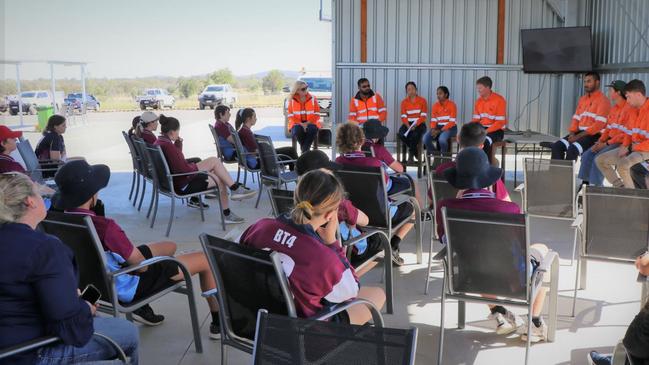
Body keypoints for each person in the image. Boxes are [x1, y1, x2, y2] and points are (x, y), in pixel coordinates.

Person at [54, 160, 223, 339]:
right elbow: (140, 266)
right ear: (92, 196)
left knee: (169, 246)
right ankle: (218, 323)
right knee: (205, 259)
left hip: (93, 281)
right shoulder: (104, 227)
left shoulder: (57, 221)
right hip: (125, 284)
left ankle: (147, 301)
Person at [0, 173, 139, 364]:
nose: (44, 199)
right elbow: (72, 330)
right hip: (27, 352)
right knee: (127, 332)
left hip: (11, 340)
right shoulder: (44, 248)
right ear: (29, 201)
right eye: (40, 194)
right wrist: (84, 307)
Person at [239, 169, 386, 324]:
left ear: (296, 198)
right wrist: (333, 244)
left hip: (256, 317)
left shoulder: (260, 227)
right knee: (377, 294)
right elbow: (351, 290)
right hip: (303, 330)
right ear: (330, 215)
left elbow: (236, 255)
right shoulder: (322, 257)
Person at [436, 147, 551, 342]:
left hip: (468, 276)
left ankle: (498, 311)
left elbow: (446, 241)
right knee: (544, 255)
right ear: (488, 179)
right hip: (511, 279)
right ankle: (534, 323)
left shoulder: (446, 207)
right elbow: (520, 247)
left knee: (476, 256)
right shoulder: (510, 209)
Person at [335, 122, 415, 266]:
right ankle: (393, 244)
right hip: (379, 215)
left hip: (354, 213)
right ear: (361, 140)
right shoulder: (374, 164)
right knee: (412, 208)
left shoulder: (337, 162)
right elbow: (387, 188)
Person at [295, 150, 384, 273]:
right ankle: (350, 279)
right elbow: (365, 220)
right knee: (379, 242)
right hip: (339, 253)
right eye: (329, 171)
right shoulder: (338, 203)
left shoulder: (296, 201)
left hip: (308, 253)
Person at [155, 115, 255, 220]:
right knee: (220, 177)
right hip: (183, 185)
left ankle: (234, 189)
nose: (178, 134)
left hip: (175, 181)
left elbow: (176, 161)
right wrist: (198, 168)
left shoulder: (160, 142)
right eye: (178, 131)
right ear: (171, 132)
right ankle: (228, 211)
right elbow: (182, 169)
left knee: (215, 166)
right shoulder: (168, 146)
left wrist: (178, 145)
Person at [588, 252, 649, 365]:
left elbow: (644, 265)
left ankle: (616, 362)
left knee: (633, 339)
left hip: (641, 342)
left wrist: (643, 257)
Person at [433, 122, 511, 204]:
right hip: (480, 215)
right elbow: (507, 204)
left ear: (458, 139)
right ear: (482, 145)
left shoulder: (441, 170)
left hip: (446, 214)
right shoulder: (490, 176)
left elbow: (432, 202)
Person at [578, 80, 637, 186]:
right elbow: (608, 129)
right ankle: (584, 184)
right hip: (611, 141)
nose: (608, 92)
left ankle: (596, 188)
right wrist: (599, 142)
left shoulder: (629, 109)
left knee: (598, 158)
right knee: (587, 155)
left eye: (611, 90)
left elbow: (626, 135)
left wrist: (605, 144)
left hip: (621, 143)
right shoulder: (614, 109)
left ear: (618, 92)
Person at [596, 79, 649, 188]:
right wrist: (625, 146)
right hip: (634, 148)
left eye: (629, 96)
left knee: (623, 165)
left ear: (638, 95)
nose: (627, 100)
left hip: (645, 149)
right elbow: (629, 133)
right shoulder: (633, 110)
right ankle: (620, 187)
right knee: (600, 160)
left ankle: (630, 197)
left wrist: (631, 148)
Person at [551, 72, 611, 161]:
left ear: (597, 82)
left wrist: (577, 137)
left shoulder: (603, 101)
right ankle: (557, 174)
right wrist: (572, 133)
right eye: (585, 82)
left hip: (594, 136)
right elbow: (576, 119)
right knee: (557, 146)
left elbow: (598, 126)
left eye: (589, 81)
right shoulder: (583, 99)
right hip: (579, 133)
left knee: (572, 149)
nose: (586, 84)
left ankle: (567, 174)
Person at [362, 119, 423, 202]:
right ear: (378, 136)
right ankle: (421, 213)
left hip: (363, 184)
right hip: (381, 186)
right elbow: (400, 169)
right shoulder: (379, 150)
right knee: (413, 183)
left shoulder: (357, 147)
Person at [471, 76, 508, 163]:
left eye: (480, 88)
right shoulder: (478, 101)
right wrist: (466, 130)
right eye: (477, 88)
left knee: (484, 142)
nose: (478, 90)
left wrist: (486, 132)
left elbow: (500, 122)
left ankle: (486, 167)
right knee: (468, 140)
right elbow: (475, 120)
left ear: (487, 88)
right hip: (482, 129)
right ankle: (475, 166)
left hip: (496, 131)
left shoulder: (499, 100)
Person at [287, 80, 321, 154]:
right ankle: (306, 152)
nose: (306, 90)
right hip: (297, 124)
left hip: (311, 123)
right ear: (297, 90)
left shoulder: (313, 98)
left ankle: (304, 152)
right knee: (297, 129)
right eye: (303, 89)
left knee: (312, 129)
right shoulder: (292, 100)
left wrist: (307, 123)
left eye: (306, 87)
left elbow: (317, 114)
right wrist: (301, 123)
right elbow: (290, 115)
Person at [398, 81, 428, 163]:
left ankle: (411, 156)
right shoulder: (404, 102)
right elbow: (403, 116)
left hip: (420, 123)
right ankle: (415, 151)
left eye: (412, 89)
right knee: (401, 134)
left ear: (416, 90)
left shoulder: (422, 100)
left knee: (415, 134)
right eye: (408, 89)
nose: (411, 91)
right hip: (408, 123)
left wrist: (416, 124)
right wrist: (408, 125)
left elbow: (423, 116)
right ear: (406, 91)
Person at [424, 86, 458, 154]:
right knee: (425, 139)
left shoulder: (452, 105)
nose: (438, 95)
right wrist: (433, 129)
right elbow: (433, 120)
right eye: (437, 94)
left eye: (440, 93)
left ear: (446, 94)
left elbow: (451, 122)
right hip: (438, 127)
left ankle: (444, 159)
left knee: (442, 139)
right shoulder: (435, 105)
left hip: (451, 128)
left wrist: (439, 131)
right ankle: (437, 156)